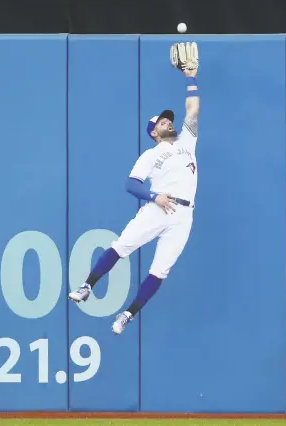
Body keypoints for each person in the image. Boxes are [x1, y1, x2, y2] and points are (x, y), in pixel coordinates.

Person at [68, 43, 200, 335]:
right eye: (163, 122)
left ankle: (127, 314)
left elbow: (193, 110)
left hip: (184, 215)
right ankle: (88, 284)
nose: (169, 122)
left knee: (160, 270)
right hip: (158, 207)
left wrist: (190, 77)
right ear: (154, 132)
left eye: (169, 120)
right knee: (122, 246)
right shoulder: (151, 154)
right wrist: (155, 196)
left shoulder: (186, 142)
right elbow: (131, 184)